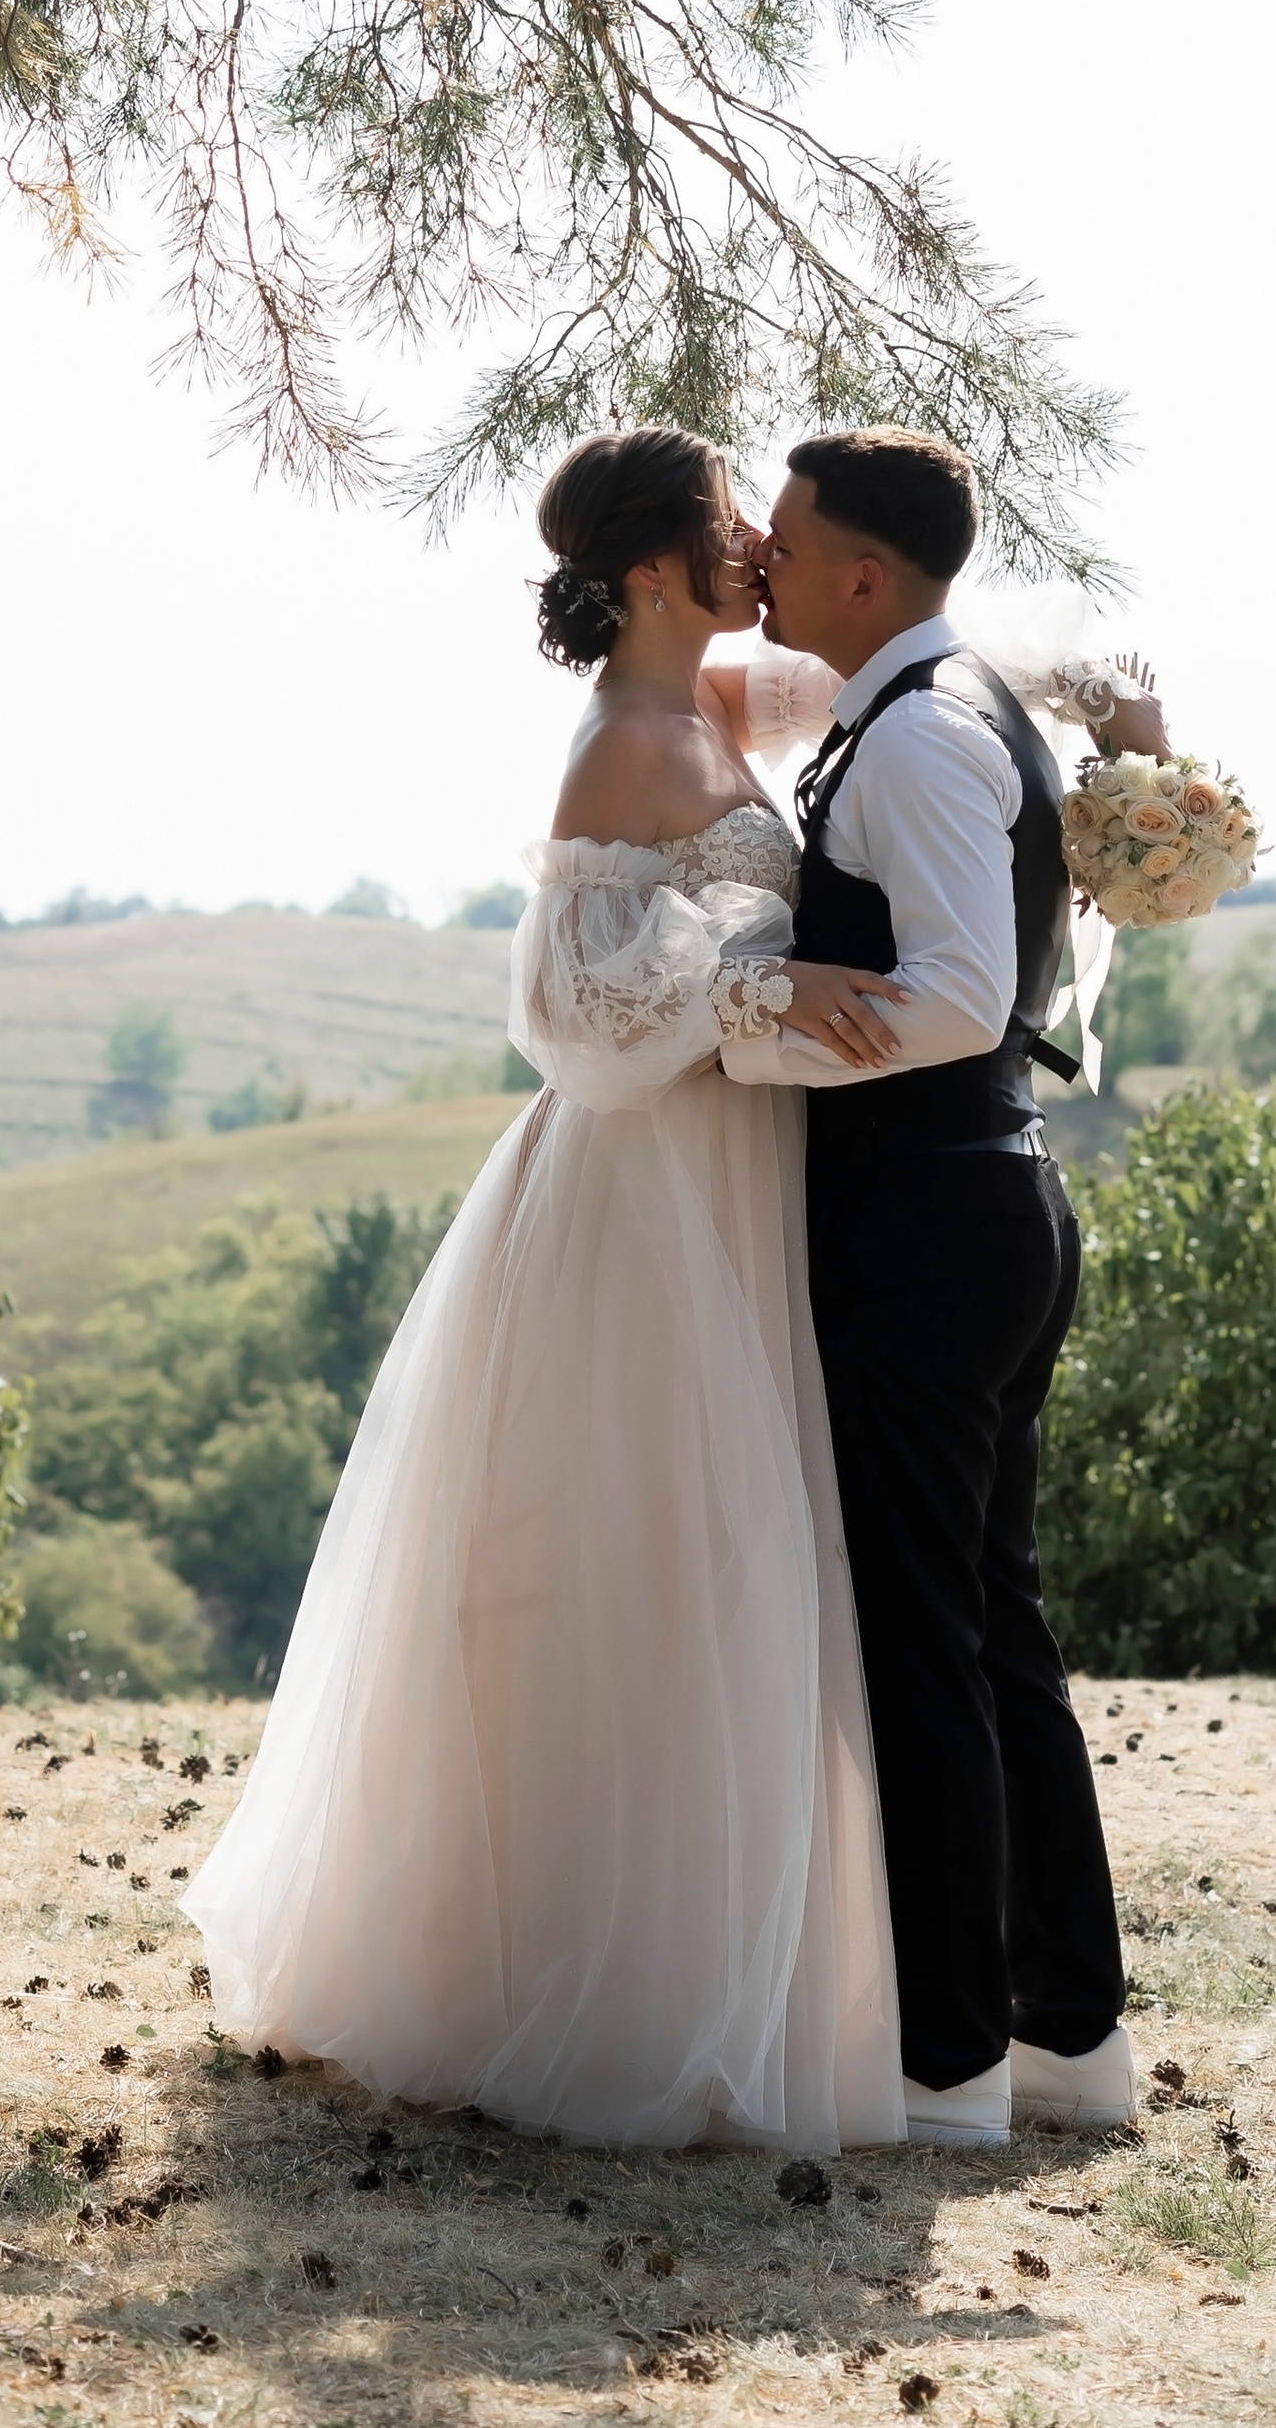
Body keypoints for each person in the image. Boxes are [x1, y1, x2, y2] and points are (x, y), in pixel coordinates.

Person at [184, 424, 917, 2148]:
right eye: (732, 520)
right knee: (644, 1562)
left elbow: (896, 683)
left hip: (744, 1182)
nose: (758, 542)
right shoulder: (622, 752)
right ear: (655, 567)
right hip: (643, 1195)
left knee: (741, 1555)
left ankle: (761, 1963)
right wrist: (778, 992)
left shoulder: (733, 707)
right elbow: (581, 1027)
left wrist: (1081, 699)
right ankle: (597, 1984)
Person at [750, 426, 1151, 2145]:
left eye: (783, 539)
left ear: (861, 574)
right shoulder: (953, 696)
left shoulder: (916, 737)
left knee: (930, 1645)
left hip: (925, 1219)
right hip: (997, 1203)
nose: (762, 564)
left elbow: (960, 996)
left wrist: (758, 1030)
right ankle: (1074, 2038)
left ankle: (952, 2069)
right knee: (996, 1631)